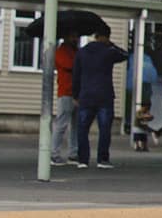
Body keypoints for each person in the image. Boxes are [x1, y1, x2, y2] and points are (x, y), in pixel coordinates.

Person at [72, 28, 128, 169]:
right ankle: (102, 159)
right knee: (104, 129)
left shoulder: (82, 52)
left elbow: (76, 75)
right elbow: (125, 54)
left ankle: (83, 160)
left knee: (82, 128)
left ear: (95, 36)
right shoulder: (109, 51)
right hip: (104, 95)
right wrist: (111, 44)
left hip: (86, 95)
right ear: (106, 37)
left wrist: (75, 94)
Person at [49, 32, 79, 166]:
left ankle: (73, 154)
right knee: (61, 124)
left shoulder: (76, 51)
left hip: (77, 92)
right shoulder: (61, 51)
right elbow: (70, 66)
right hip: (66, 92)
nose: (75, 38)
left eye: (76, 36)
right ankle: (54, 154)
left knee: (75, 126)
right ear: (66, 37)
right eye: (73, 36)